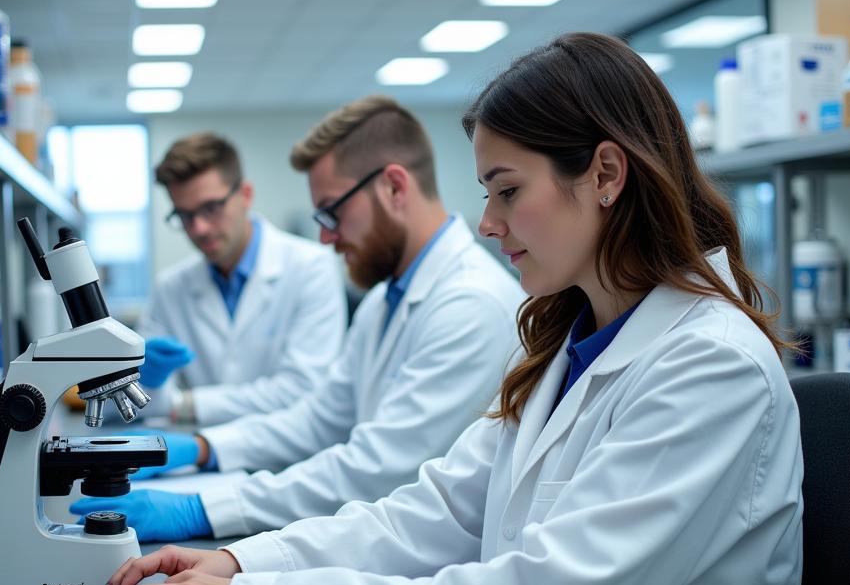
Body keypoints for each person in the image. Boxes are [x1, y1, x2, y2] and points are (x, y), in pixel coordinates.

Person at [98, 35, 809, 585]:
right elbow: (429, 514)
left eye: (506, 191)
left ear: (605, 174)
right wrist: (240, 563)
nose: (488, 224)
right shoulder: (568, 342)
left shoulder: (710, 366)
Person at [73, 96, 523, 540]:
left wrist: (204, 508)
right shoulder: (383, 300)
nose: (326, 237)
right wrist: (206, 447)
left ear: (394, 187)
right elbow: (319, 419)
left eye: (333, 211)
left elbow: (374, 469)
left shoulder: (470, 304)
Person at [135, 132, 347, 434]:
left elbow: (302, 389)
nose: (199, 228)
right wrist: (147, 378)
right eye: (184, 215)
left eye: (211, 208)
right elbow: (142, 401)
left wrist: (182, 404)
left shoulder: (311, 267)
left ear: (245, 195)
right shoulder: (170, 288)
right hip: (199, 464)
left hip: (289, 462)